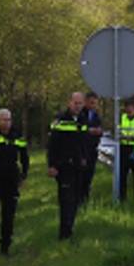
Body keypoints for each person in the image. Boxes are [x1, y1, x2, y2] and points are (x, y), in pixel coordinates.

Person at [0, 108, 28, 256]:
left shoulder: (17, 135)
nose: (7, 123)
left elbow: (24, 156)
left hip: (11, 180)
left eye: (9, 119)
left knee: (8, 216)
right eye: (4, 119)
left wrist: (24, 175)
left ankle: (5, 247)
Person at [47, 91, 88, 241]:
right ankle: (64, 234)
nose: (78, 106)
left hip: (78, 166)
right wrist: (51, 165)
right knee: (66, 200)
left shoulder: (83, 120)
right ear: (69, 103)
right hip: (63, 166)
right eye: (75, 103)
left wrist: (84, 158)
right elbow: (51, 145)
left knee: (76, 199)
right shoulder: (60, 120)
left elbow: (85, 142)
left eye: (80, 103)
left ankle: (70, 228)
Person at [78, 92, 104, 206]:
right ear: (86, 101)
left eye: (95, 103)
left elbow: (99, 128)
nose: (94, 105)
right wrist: (89, 131)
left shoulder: (96, 115)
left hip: (93, 149)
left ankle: (85, 198)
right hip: (82, 149)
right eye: (92, 103)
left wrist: (99, 132)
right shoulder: (80, 114)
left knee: (89, 175)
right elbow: (78, 129)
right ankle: (78, 199)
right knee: (81, 175)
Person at [116, 99, 134, 202]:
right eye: (126, 108)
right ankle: (122, 198)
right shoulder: (122, 118)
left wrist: (133, 138)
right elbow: (118, 132)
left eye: (130, 107)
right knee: (122, 175)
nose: (128, 110)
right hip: (124, 149)